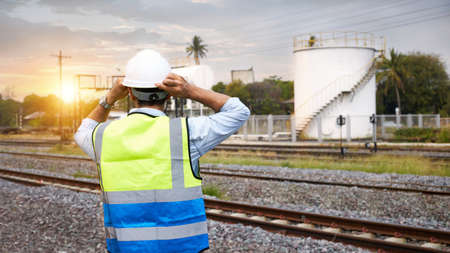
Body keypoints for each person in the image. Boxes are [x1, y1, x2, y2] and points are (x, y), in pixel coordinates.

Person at [74, 49, 250, 253]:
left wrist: (111, 97)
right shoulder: (186, 133)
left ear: (129, 93)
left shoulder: (103, 137)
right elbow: (239, 111)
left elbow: (83, 130)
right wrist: (189, 90)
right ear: (169, 93)